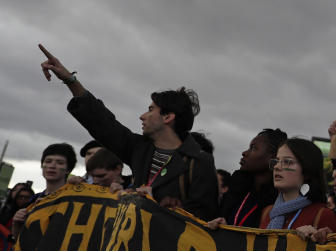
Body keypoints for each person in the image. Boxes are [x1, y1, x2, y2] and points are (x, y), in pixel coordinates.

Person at [39, 44, 219, 219]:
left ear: (167, 117)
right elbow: (102, 123)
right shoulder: (139, 148)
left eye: (150, 110)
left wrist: (153, 204)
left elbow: (202, 221)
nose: (142, 116)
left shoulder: (199, 161)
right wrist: (70, 80)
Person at [258, 139, 336, 232]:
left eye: (288, 162)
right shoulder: (268, 212)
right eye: (277, 161)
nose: (277, 167)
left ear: (307, 171)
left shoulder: (322, 215)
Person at [215, 129, 288, 228]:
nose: (244, 152)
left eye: (253, 148)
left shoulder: (280, 202)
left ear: (273, 158)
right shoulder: (237, 189)